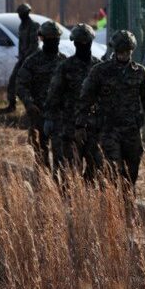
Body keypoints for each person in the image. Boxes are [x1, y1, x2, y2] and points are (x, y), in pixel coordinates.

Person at [78, 30, 145, 186]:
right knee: (112, 170)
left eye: (127, 52)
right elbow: (86, 98)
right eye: (120, 51)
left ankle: (127, 202)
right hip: (109, 129)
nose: (123, 55)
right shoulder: (100, 71)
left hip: (132, 130)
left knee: (132, 171)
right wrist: (81, 124)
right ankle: (113, 204)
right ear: (115, 51)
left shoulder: (139, 73)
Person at [45, 24, 104, 180]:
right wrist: (50, 119)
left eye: (86, 42)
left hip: (94, 127)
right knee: (70, 170)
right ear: (75, 43)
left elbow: (107, 96)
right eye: (80, 42)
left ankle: (87, 198)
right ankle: (69, 201)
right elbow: (54, 94)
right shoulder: (65, 67)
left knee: (96, 169)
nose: (83, 45)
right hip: (70, 126)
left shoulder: (99, 67)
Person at [17, 21, 66, 168]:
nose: (54, 41)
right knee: (40, 156)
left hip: (60, 116)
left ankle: (59, 187)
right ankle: (44, 187)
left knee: (61, 157)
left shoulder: (64, 62)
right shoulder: (32, 61)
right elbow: (21, 85)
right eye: (50, 38)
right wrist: (29, 103)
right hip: (38, 114)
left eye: (56, 38)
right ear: (42, 38)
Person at [3, 3, 40, 113]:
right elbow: (21, 43)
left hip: (31, 58)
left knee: (29, 84)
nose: (20, 15)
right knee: (12, 80)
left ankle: (32, 106)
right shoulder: (21, 26)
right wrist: (20, 56)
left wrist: (25, 57)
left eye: (22, 13)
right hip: (22, 58)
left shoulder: (34, 25)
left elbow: (34, 45)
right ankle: (12, 104)